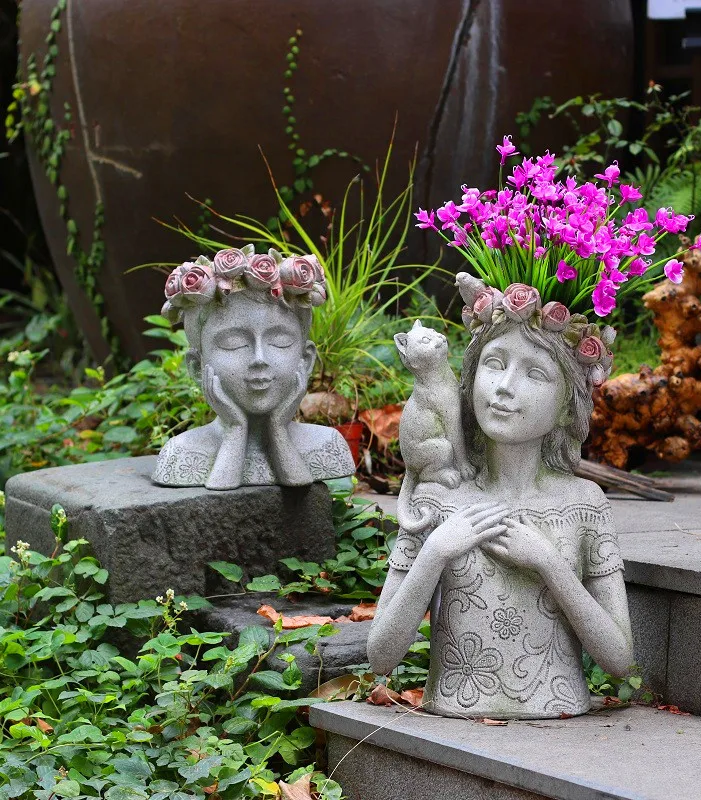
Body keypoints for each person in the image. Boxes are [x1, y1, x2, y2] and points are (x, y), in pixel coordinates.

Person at [367, 292, 633, 719]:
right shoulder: (437, 499)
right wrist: (434, 552)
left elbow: (619, 661)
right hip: (453, 711)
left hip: (560, 713)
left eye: (534, 373)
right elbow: (380, 656)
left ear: (567, 405)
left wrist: (548, 563)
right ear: (469, 378)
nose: (505, 387)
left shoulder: (585, 504)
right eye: (493, 364)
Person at [151, 247, 354, 490]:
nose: (259, 359)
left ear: (306, 359)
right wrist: (235, 429)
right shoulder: (181, 454)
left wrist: (279, 427)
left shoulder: (326, 445)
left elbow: (299, 484)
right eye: (233, 342)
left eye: (279, 341)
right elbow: (220, 492)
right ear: (197, 367)